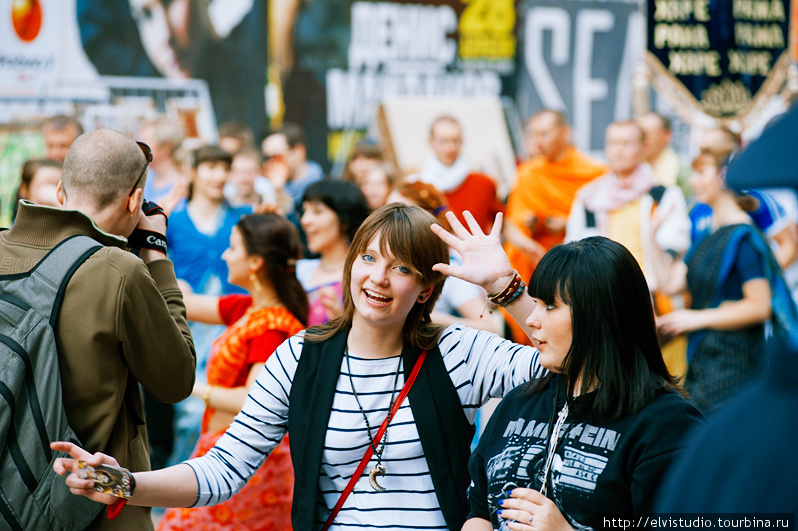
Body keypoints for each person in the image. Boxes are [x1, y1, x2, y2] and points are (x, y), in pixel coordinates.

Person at [51, 204, 548, 531]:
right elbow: (223, 471)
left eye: (400, 268)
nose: (377, 278)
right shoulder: (299, 357)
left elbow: (577, 364)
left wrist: (506, 287)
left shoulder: (457, 352)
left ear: (424, 288)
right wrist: (127, 483)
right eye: (369, 258)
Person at [0, 128, 195, 530]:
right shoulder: (117, 270)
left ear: (59, 191)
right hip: (88, 506)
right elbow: (176, 381)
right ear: (135, 201)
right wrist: (155, 250)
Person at [461, 236, 703, 530]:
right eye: (535, 303)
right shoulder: (518, 402)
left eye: (549, 306)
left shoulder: (665, 425)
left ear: (600, 317)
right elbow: (478, 510)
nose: (533, 320)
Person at [156, 212, 307, 531]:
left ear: (255, 263)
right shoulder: (246, 308)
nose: (224, 254)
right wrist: (152, 245)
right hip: (223, 448)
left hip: (247, 458)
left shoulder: (273, 329)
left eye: (233, 248)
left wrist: (191, 387)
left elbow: (249, 402)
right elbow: (179, 302)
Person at [650, 148, 779, 416]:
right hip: (704, 360)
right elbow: (671, 284)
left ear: (723, 177)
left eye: (700, 173)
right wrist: (651, 235)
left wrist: (696, 318)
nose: (693, 182)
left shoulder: (743, 237)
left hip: (735, 364)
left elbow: (759, 306)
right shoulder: (709, 234)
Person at [567, 120, 691, 378]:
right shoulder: (590, 197)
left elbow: (674, 248)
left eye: (627, 143)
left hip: (657, 304)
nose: (618, 150)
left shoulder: (662, 195)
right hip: (604, 303)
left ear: (643, 147)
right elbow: (575, 250)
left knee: (664, 380)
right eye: (613, 143)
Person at [165, 145, 253, 465]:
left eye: (224, 168)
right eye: (211, 167)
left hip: (234, 324)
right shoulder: (173, 221)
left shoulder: (243, 218)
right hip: (187, 324)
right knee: (189, 412)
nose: (219, 175)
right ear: (194, 172)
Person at [503, 109, 605, 319]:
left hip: (577, 265)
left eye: (544, 134)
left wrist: (567, 224)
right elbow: (513, 223)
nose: (537, 141)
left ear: (564, 133)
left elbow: (603, 224)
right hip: (535, 261)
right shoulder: (528, 173)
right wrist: (527, 236)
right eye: (534, 134)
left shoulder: (592, 173)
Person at [387, 180, 498, 333]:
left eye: (401, 215)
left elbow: (490, 328)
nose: (389, 221)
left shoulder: (446, 270)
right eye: (387, 211)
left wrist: (430, 319)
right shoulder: (387, 258)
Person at [297, 179, 371, 325]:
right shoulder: (300, 269)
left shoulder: (364, 276)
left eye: (317, 211)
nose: (305, 220)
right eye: (304, 211)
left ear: (344, 219)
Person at [419, 115, 504, 232]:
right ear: (431, 142)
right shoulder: (419, 189)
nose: (449, 147)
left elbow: (503, 223)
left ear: (462, 142)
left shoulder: (484, 184)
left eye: (455, 141)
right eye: (442, 141)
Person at [261, 122, 325, 218]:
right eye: (266, 158)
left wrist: (280, 191)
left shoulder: (322, 189)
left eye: (276, 156)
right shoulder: (266, 187)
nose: (270, 163)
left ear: (299, 152)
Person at [138, 115, 188, 206]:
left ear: (166, 146)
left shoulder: (182, 186)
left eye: (145, 140)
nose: (140, 146)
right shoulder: (145, 178)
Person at [636, 112, 691, 194]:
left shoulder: (682, 176)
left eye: (647, 134)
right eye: (640, 135)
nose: (642, 140)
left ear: (666, 136)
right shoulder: (629, 167)